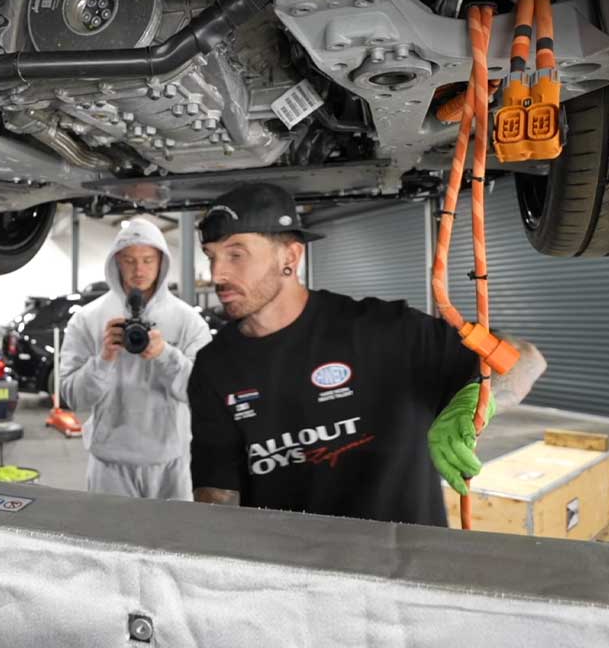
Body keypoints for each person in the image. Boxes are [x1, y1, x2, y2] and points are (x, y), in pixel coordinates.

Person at [188, 183, 547, 526]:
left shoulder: (385, 330)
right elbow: (218, 492)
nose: (217, 274)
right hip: (290, 565)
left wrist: (475, 404)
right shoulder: (214, 366)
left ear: (290, 256)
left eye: (236, 254)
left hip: (406, 561)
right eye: (211, 256)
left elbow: (525, 359)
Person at [61, 218, 212, 500]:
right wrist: (103, 359)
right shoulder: (87, 320)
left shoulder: (188, 321)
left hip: (170, 462)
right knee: (112, 531)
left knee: (175, 530)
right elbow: (73, 398)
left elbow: (204, 394)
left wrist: (166, 355)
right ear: (117, 261)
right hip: (110, 464)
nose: (139, 270)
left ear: (161, 261)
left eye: (147, 260)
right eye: (130, 260)